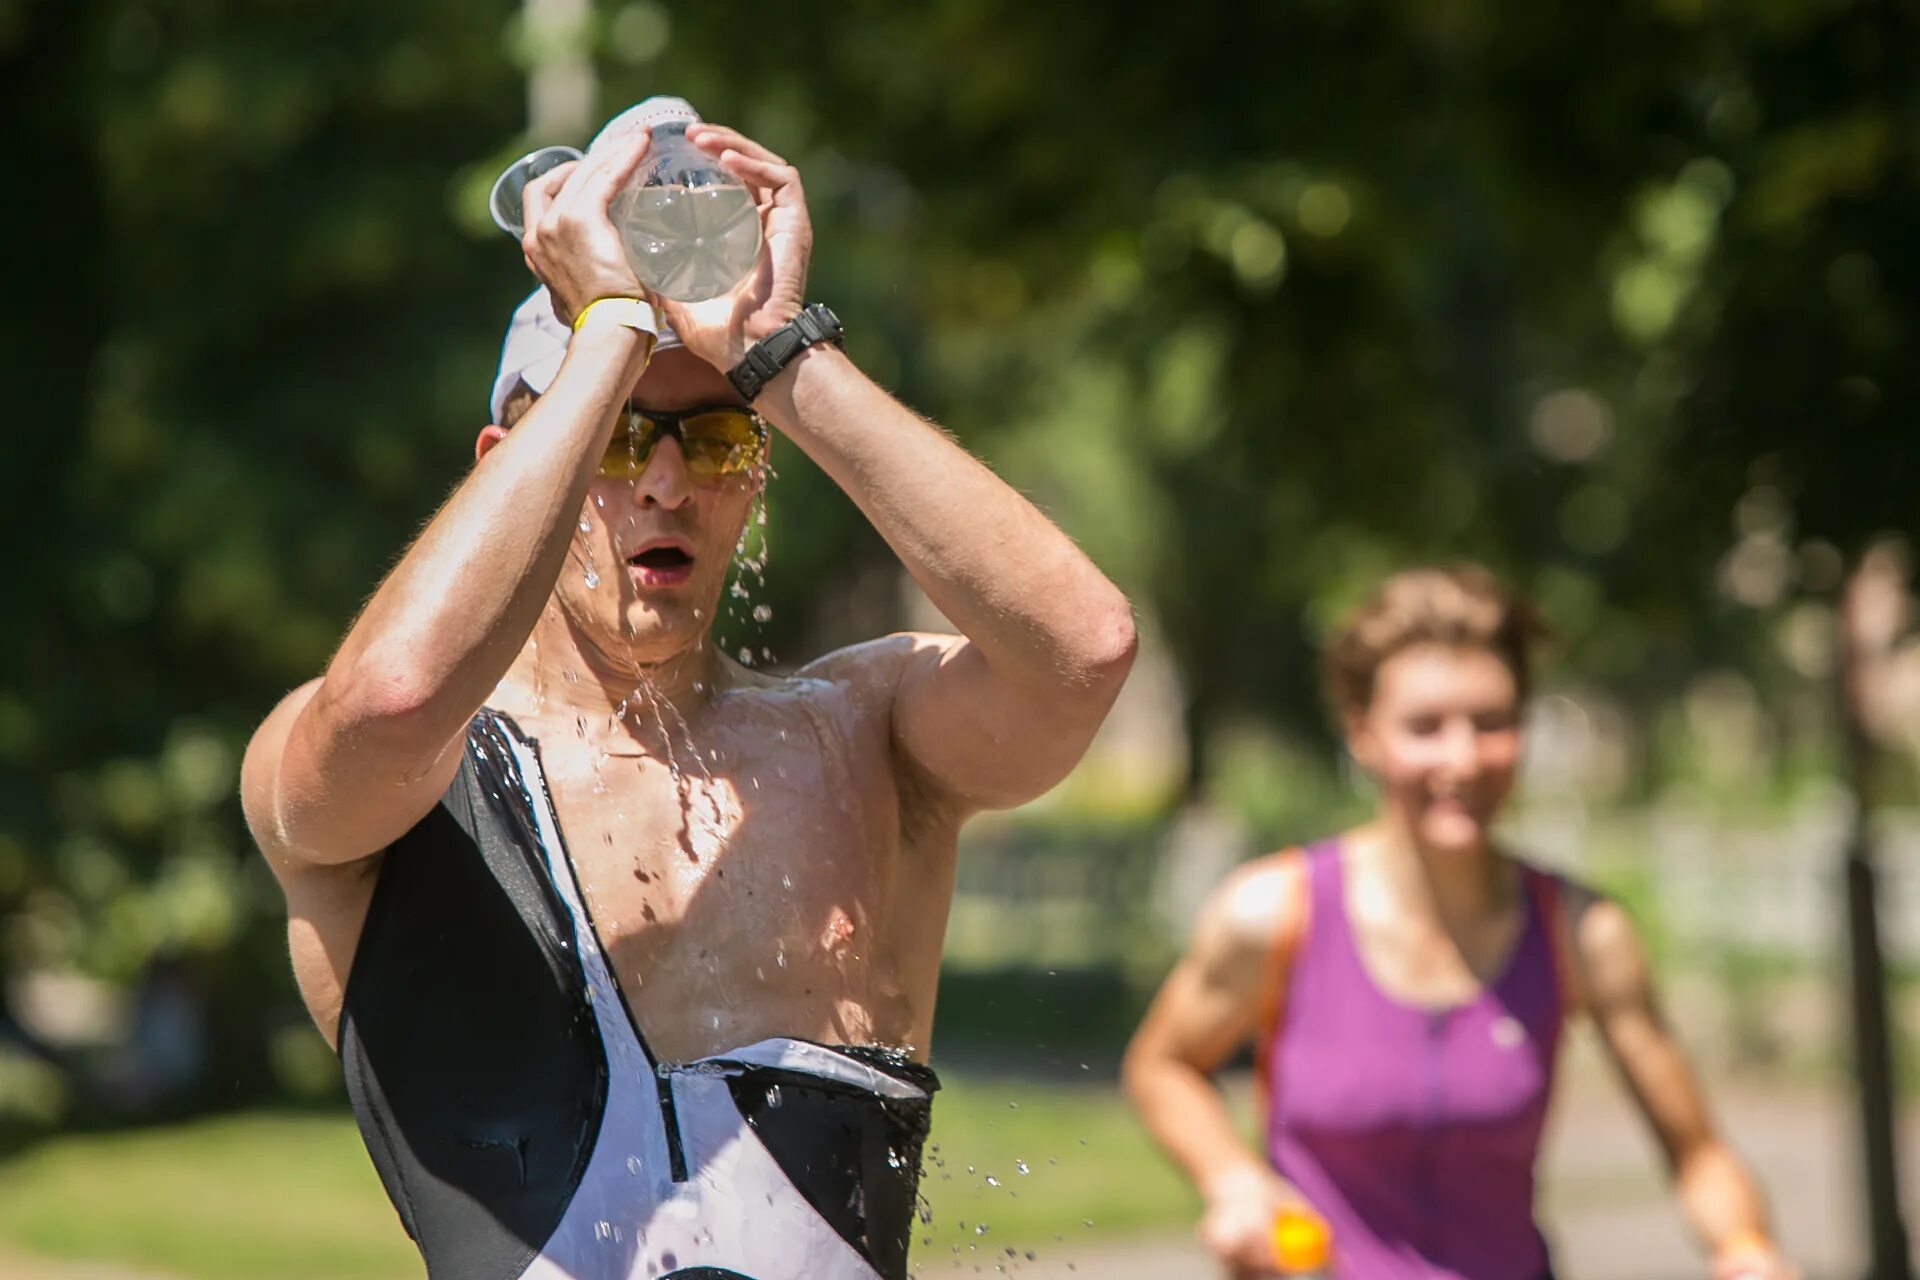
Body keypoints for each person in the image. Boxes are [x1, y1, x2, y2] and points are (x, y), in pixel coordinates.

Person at [240, 103, 1136, 1280]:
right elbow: (397, 695)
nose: (666, 481)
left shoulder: (862, 736)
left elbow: (1084, 649)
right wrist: (610, 324)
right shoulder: (402, 780)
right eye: (615, 436)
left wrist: (779, 352)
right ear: (514, 468)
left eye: (713, 440)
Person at [1122, 565, 1792, 1280]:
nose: (1463, 758)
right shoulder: (1272, 913)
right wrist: (1234, 1180)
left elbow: (1699, 1156)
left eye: (1492, 723)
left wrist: (1746, 1250)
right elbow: (1161, 1066)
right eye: (1425, 727)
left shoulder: (1582, 934)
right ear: (1363, 733)